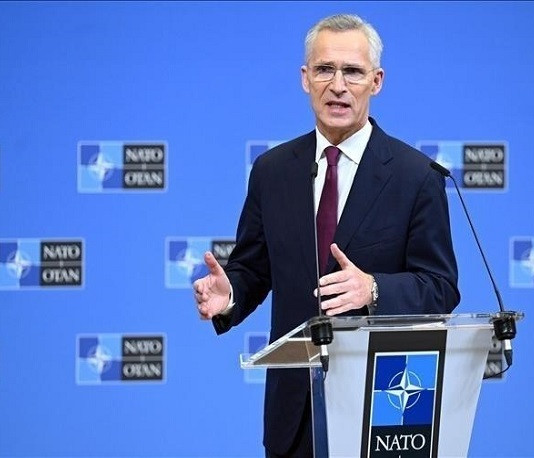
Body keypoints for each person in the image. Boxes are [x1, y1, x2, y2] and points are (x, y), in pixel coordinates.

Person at [193, 13, 459, 457]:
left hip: (386, 408)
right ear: (305, 78)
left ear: (376, 82)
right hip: (294, 413)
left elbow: (440, 287)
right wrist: (231, 293)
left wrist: (372, 288)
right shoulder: (272, 171)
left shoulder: (416, 176)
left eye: (352, 71)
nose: (338, 85)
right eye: (324, 70)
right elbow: (254, 269)